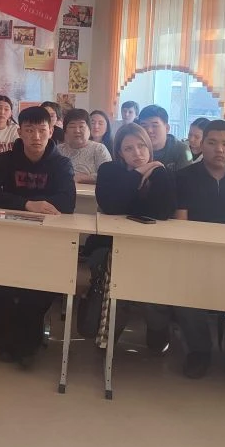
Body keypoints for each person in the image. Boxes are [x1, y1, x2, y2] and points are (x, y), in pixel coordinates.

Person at [0, 106, 75, 367]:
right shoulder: (6, 160)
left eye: (42, 130)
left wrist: (16, 200)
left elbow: (67, 202)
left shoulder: (61, 163)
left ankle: (24, 345)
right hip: (6, 237)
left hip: (46, 242)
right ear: (19, 132)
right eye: (29, 130)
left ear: (51, 131)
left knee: (38, 286)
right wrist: (28, 204)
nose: (36, 137)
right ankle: (4, 340)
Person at [174, 120, 225, 378]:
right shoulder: (184, 177)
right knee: (182, 290)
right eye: (212, 143)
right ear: (201, 144)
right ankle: (199, 350)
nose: (219, 149)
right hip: (194, 254)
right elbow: (181, 224)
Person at [92, 123, 176, 353]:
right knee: (119, 276)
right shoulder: (109, 170)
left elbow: (162, 213)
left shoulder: (160, 172)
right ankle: (108, 334)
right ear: (119, 152)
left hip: (151, 247)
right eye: (129, 149)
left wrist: (154, 173)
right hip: (111, 245)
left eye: (142, 146)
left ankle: (157, 330)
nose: (137, 153)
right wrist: (138, 174)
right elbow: (111, 206)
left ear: (149, 147)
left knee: (153, 278)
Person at [56, 108, 111, 184]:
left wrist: (82, 178)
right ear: (65, 131)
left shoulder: (99, 149)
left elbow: (109, 174)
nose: (77, 130)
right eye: (72, 127)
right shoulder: (58, 150)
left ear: (89, 129)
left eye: (81, 126)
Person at [137, 104, 192, 171]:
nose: (149, 130)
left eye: (154, 125)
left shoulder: (181, 150)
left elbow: (185, 177)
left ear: (167, 128)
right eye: (144, 126)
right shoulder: (136, 149)